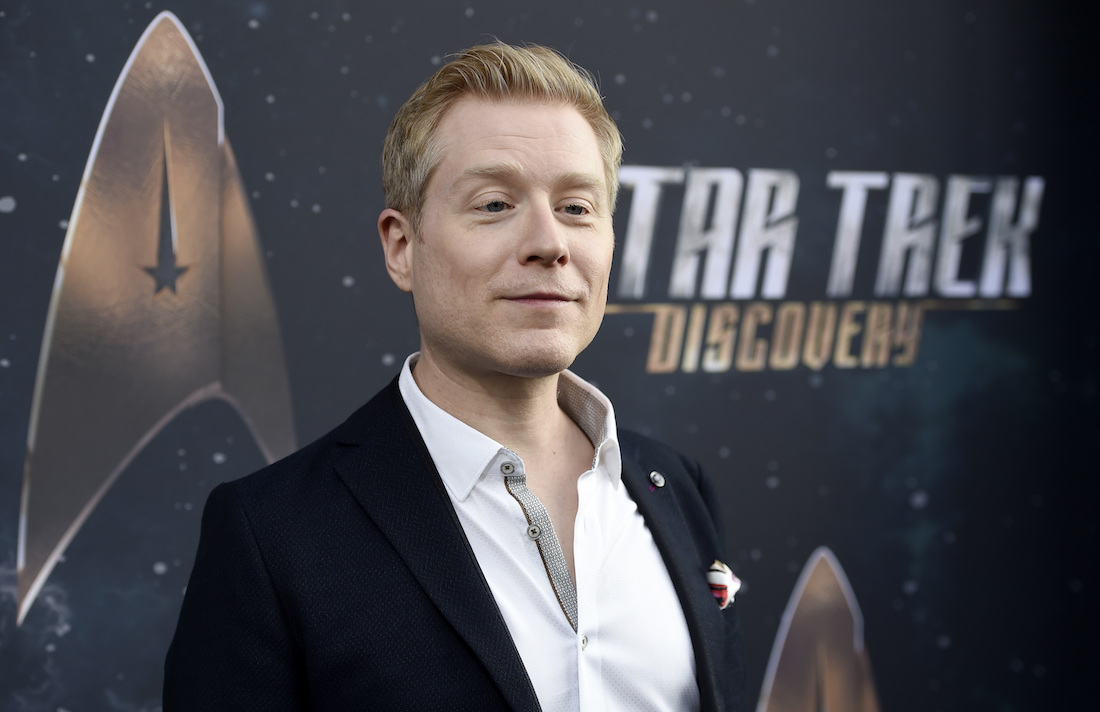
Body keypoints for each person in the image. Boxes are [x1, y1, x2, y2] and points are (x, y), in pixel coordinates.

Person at [164, 41, 746, 712]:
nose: (550, 242)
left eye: (578, 208)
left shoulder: (677, 487)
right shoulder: (271, 533)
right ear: (401, 247)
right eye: (495, 204)